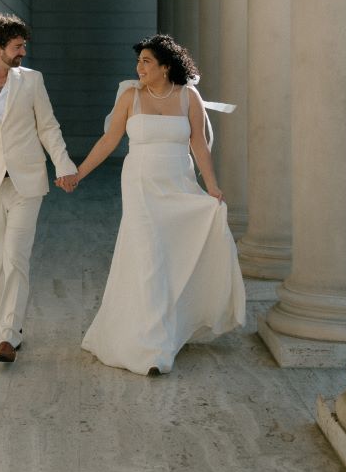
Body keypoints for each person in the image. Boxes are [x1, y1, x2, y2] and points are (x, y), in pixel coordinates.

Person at [77, 34, 246, 376]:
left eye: (146, 62)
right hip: (140, 186)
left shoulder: (188, 97)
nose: (139, 67)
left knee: (171, 257)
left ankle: (172, 326)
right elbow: (109, 140)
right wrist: (78, 173)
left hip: (178, 184)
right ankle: (154, 349)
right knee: (150, 257)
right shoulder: (130, 97)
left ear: (166, 67)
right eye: (138, 61)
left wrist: (211, 186)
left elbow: (198, 144)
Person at [0, 13, 78, 362]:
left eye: (23, 45)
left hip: (27, 183)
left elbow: (48, 128)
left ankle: (7, 337)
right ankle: (6, 331)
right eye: (18, 46)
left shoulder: (32, 81)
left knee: (15, 257)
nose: (23, 51)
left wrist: (64, 164)